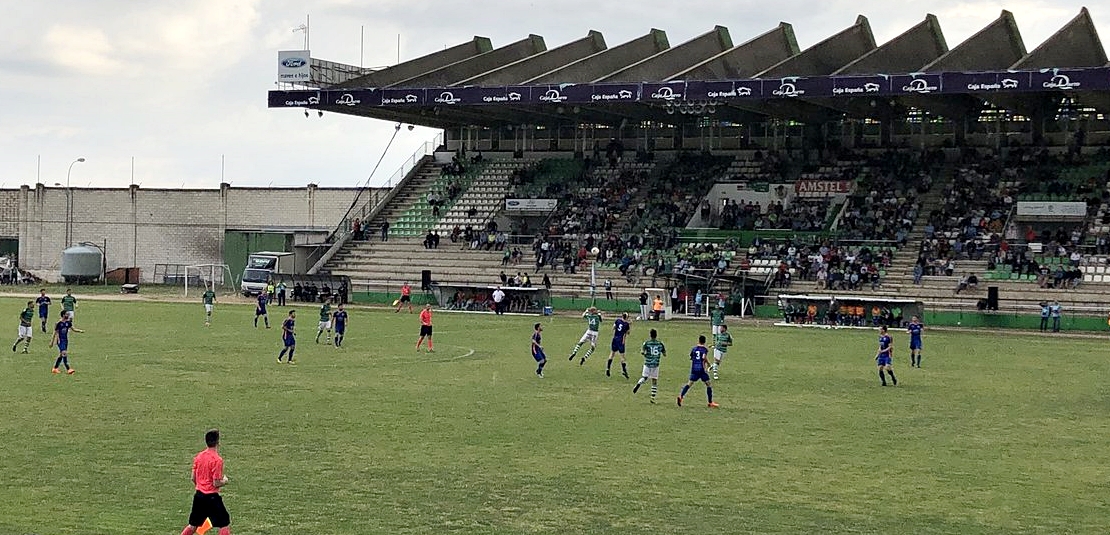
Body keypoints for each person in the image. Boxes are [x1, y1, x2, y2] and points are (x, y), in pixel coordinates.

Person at [180, 429, 232, 535]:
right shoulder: (217, 460)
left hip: (199, 496)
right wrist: (225, 481)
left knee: (193, 524)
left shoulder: (199, 457)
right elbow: (216, 483)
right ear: (218, 442)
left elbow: (193, 478)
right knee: (223, 523)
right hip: (212, 497)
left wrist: (200, 486)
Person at [678, 335, 718, 408]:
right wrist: (709, 365)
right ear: (704, 341)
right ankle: (710, 402)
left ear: (698, 340)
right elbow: (703, 358)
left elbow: (691, 357)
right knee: (709, 385)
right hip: (701, 370)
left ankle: (681, 396)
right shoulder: (704, 350)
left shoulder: (694, 349)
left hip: (694, 369)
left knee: (689, 384)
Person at [633, 328, 666, 403]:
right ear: (656, 335)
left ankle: (639, 383)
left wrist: (645, 354)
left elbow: (642, 352)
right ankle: (652, 397)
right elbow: (664, 354)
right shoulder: (660, 344)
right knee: (654, 381)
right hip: (655, 364)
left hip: (647, 363)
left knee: (644, 377)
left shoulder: (646, 343)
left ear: (650, 335)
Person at [50, 309, 83, 374]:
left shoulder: (68, 323)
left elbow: (73, 329)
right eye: (67, 314)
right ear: (63, 315)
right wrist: (52, 342)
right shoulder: (58, 323)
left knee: (61, 355)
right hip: (60, 340)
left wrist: (80, 331)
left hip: (65, 340)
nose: (68, 315)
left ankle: (55, 368)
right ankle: (68, 369)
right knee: (64, 353)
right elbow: (55, 333)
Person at [606, 312, 631, 378]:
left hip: (615, 339)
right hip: (621, 341)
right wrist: (629, 325)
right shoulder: (626, 324)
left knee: (612, 353)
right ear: (627, 317)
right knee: (622, 356)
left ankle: (608, 368)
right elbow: (628, 333)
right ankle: (624, 370)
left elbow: (613, 328)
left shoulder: (617, 321)